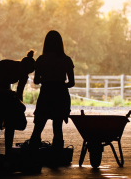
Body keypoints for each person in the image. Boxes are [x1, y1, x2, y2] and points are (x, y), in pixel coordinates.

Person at [0, 50, 35, 158]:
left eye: (27, 73)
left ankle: (8, 152)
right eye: (25, 71)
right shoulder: (7, 66)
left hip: (3, 89)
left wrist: (19, 107)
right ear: (21, 65)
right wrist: (9, 93)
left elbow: (19, 94)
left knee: (10, 120)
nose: (25, 74)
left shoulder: (23, 74)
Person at [29, 30, 75, 164]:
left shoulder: (41, 60)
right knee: (57, 128)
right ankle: (56, 160)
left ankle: (32, 158)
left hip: (46, 93)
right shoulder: (66, 60)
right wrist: (59, 84)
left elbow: (37, 80)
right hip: (60, 94)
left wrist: (48, 80)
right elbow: (71, 83)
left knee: (38, 128)